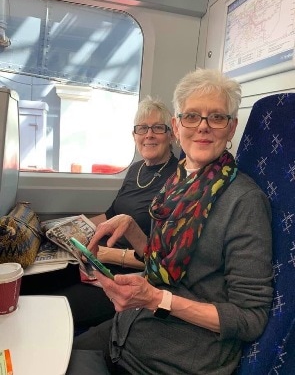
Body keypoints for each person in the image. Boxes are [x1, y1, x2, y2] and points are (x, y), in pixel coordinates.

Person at [69, 68, 273, 375]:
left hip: (175, 357)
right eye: (192, 116)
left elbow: (250, 318)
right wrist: (133, 228)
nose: (203, 127)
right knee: (53, 354)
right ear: (177, 126)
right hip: (129, 331)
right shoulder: (177, 182)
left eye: (216, 117)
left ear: (231, 129)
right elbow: (164, 263)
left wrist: (156, 297)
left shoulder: (245, 201)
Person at [20, 96, 178, 328]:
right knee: (26, 283)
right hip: (95, 259)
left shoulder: (176, 179)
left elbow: (164, 259)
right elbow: (109, 214)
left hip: (123, 274)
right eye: (142, 128)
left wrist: (102, 254)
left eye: (158, 128)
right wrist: (61, 228)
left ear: (172, 134)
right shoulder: (136, 170)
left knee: (46, 310)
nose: (149, 135)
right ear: (134, 135)